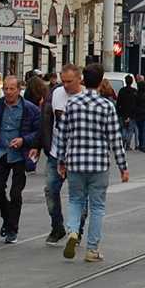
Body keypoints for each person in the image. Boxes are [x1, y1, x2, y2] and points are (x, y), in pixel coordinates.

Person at [52, 63, 130, 262]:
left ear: (84, 80)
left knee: (75, 200)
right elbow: (115, 138)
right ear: (101, 80)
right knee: (97, 207)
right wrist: (123, 167)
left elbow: (63, 134)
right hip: (98, 164)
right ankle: (92, 249)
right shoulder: (106, 106)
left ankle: (72, 232)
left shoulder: (72, 103)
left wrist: (61, 161)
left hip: (76, 162)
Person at [0, 75, 42, 243]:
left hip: (19, 156)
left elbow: (38, 131)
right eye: (6, 89)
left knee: (15, 194)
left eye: (12, 89)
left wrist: (24, 140)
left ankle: (12, 229)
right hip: (0, 153)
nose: (9, 92)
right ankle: (7, 217)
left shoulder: (30, 109)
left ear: (19, 90)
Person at [39, 65, 82, 244]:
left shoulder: (85, 97)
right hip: (56, 152)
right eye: (63, 81)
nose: (65, 85)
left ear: (79, 79)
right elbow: (47, 118)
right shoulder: (56, 93)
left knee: (78, 195)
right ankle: (57, 227)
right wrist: (45, 145)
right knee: (50, 190)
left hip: (78, 155)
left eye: (69, 82)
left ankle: (76, 231)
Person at [115, 77, 141, 151]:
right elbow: (136, 104)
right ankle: (128, 145)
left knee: (123, 128)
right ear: (132, 82)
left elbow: (118, 103)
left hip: (122, 113)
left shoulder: (122, 91)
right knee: (130, 130)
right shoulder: (134, 92)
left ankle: (123, 141)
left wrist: (118, 112)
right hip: (132, 114)